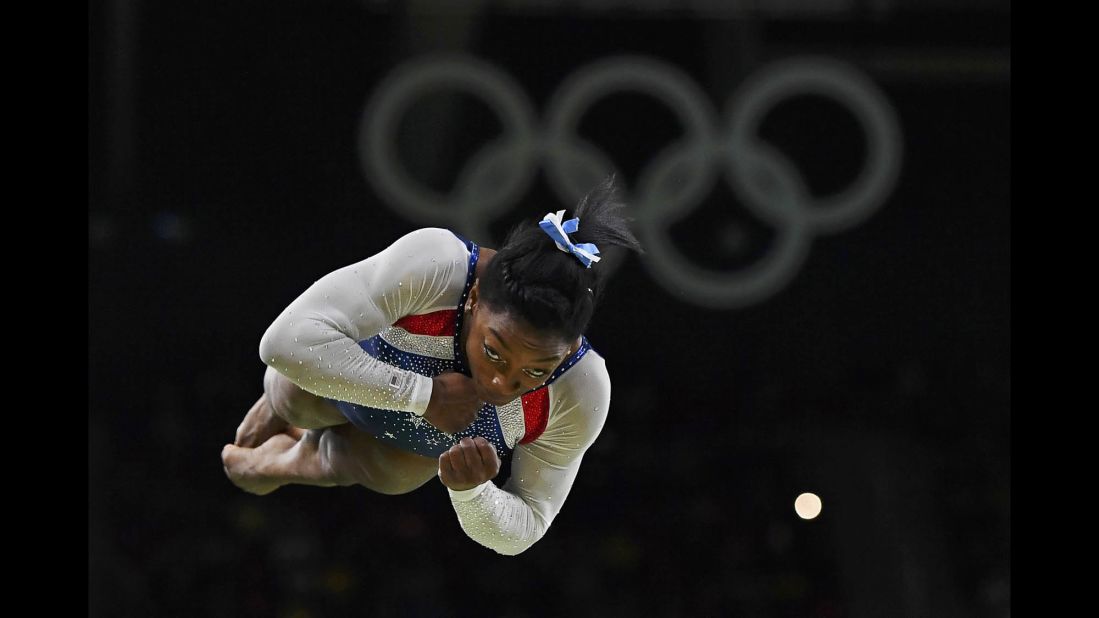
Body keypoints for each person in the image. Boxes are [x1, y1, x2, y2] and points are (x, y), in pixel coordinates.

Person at [221, 176, 641, 555]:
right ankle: (278, 404)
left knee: (398, 474)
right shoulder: (437, 265)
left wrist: (473, 492)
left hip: (397, 450)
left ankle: (278, 464)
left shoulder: (582, 389)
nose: (501, 382)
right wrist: (424, 395)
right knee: (298, 396)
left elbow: (530, 524)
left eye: (535, 372)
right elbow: (283, 340)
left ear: (566, 352)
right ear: (474, 298)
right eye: (494, 351)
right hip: (340, 382)